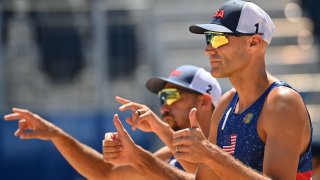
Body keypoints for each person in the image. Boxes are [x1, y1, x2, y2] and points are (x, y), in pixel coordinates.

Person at [171, 0, 313, 179]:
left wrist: (210, 154)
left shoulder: (282, 102)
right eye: (208, 38)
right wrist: (139, 158)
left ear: (253, 42)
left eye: (218, 38)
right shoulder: (225, 104)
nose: (208, 49)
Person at [4, 65, 222, 179]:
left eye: (173, 96)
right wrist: (56, 134)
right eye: (162, 98)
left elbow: (203, 175)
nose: (164, 106)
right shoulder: (167, 154)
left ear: (204, 101)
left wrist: (159, 128)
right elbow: (106, 174)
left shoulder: (228, 141)